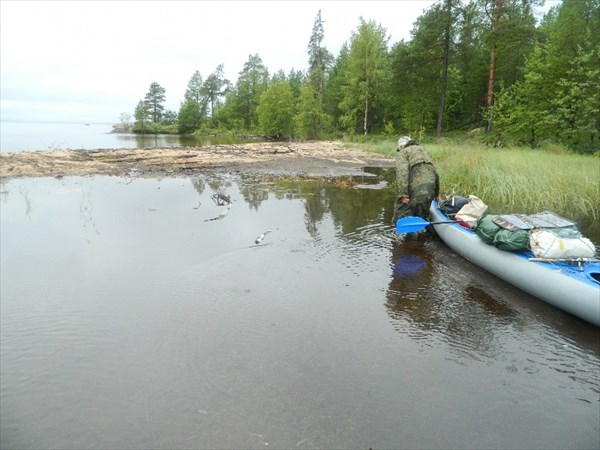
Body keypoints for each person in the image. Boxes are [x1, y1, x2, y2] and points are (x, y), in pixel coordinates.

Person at [392, 136, 439, 224]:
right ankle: (423, 228)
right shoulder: (422, 150)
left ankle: (406, 231)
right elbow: (434, 171)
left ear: (401, 146)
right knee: (422, 212)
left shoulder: (403, 152)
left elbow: (402, 173)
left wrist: (403, 194)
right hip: (431, 185)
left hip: (417, 185)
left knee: (402, 208)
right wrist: (436, 193)